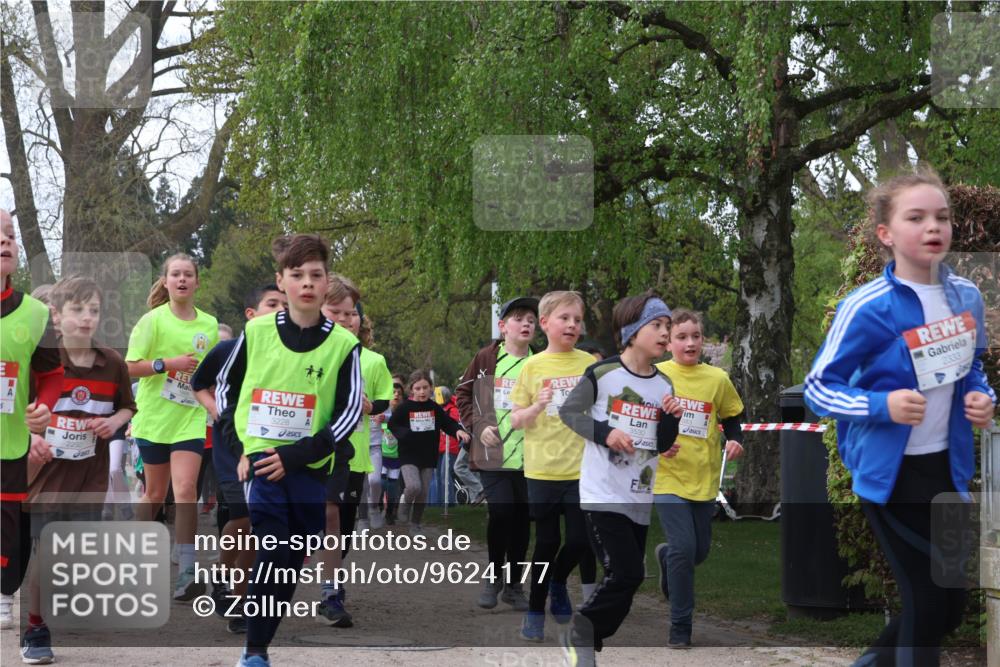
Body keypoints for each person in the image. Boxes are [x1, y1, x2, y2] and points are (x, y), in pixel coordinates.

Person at [804, 168, 996, 667]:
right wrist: (881, 406)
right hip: (892, 477)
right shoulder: (867, 307)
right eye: (917, 217)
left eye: (942, 217)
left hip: (949, 472)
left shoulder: (966, 297)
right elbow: (818, 389)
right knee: (926, 603)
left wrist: (980, 397)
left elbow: (970, 368)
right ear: (886, 235)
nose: (933, 226)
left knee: (949, 608)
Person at [221, 234, 362, 667]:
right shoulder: (257, 331)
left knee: (290, 559)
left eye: (315, 275)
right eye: (296, 275)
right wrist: (243, 448)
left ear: (325, 283)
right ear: (281, 281)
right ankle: (255, 650)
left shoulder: (343, 344)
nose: (306, 282)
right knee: (271, 548)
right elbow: (227, 391)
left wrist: (297, 456)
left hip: (308, 468)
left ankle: (261, 637)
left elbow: (348, 411)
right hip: (262, 462)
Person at [558, 291, 682, 665]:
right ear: (632, 330)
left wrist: (671, 419)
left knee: (626, 581)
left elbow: (660, 445)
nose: (665, 334)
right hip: (602, 493)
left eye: (667, 327)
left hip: (639, 495)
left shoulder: (664, 386)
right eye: (657, 325)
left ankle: (585, 636)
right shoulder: (603, 373)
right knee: (626, 572)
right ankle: (582, 631)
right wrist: (606, 433)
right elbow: (569, 412)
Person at [22, 276, 136, 663]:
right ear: (56, 314)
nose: (86, 318)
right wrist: (32, 438)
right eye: (77, 309)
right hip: (47, 472)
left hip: (90, 473)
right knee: (45, 548)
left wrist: (114, 421)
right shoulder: (39, 363)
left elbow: (127, 408)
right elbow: (15, 411)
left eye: (94, 310)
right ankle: (35, 628)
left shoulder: (113, 362)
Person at [192, 284, 287, 634]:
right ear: (251, 314)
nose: (280, 310)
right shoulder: (228, 350)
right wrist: (214, 408)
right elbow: (199, 382)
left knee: (258, 527)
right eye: (271, 304)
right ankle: (220, 571)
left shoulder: (288, 356)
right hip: (230, 444)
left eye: (284, 306)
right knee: (244, 515)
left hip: (267, 444)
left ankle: (240, 602)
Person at [125, 253, 218, 601]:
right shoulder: (152, 321)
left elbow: (207, 370)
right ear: (165, 281)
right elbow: (129, 367)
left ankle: (187, 571)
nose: (181, 280)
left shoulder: (208, 324)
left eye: (188, 274)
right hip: (153, 419)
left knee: (186, 490)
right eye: (175, 274)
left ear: (196, 282)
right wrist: (169, 364)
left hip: (190, 419)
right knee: (154, 494)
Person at [651, 308, 745, 649]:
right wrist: (656, 445)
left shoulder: (716, 378)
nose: (690, 343)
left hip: (703, 479)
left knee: (698, 551)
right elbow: (636, 418)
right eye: (681, 337)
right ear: (669, 342)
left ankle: (666, 559)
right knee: (684, 548)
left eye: (696, 336)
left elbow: (733, 414)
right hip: (666, 478)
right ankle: (680, 627)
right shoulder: (656, 375)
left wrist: (735, 439)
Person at [509, 290, 599, 641]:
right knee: (546, 543)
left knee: (580, 540)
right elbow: (516, 419)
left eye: (577, 319)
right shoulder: (532, 366)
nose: (572, 325)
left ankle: (559, 581)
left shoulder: (588, 364)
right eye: (565, 318)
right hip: (543, 470)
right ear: (544, 323)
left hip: (582, 469)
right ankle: (534, 610)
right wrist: (536, 406)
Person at [316, 274, 392, 627]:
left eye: (352, 313)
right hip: (309, 452)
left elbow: (384, 402)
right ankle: (330, 593)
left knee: (342, 528)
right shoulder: (306, 352)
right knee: (324, 519)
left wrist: (367, 407)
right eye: (338, 313)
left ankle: (329, 582)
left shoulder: (371, 361)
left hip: (354, 451)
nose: (347, 320)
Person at [0, 209, 63, 631]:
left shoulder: (36, 315)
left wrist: (44, 406)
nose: (5, 242)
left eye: (9, 235)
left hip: (11, 441)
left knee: (9, 523)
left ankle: (5, 593)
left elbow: (53, 376)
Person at [457, 296, 538, 611]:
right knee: (502, 512)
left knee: (521, 520)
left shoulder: (540, 363)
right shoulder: (486, 358)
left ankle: (514, 585)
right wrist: (478, 426)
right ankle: (494, 575)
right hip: (493, 453)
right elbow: (463, 392)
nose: (527, 323)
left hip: (531, 457)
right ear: (503, 327)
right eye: (519, 318)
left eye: (531, 318)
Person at [388, 370, 470, 534]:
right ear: (412, 390)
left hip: (428, 455)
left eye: (425, 388)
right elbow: (393, 425)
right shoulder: (405, 408)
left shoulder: (434, 408)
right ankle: (404, 502)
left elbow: (448, 423)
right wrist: (405, 434)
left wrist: (458, 431)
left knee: (423, 492)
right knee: (413, 486)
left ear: (431, 388)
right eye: (418, 388)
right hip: (408, 454)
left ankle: (415, 524)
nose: (422, 391)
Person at [380, 379, 405, 524]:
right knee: (381, 482)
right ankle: (378, 504)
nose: (396, 395)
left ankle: (390, 511)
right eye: (393, 393)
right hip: (382, 454)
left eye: (399, 393)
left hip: (396, 455)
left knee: (392, 484)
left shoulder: (403, 411)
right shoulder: (381, 409)